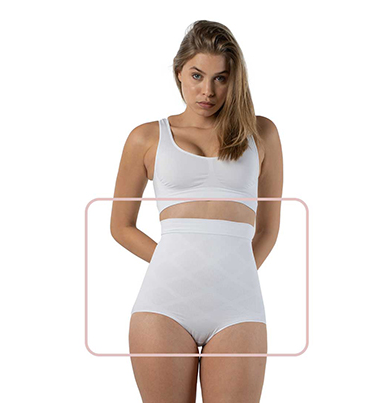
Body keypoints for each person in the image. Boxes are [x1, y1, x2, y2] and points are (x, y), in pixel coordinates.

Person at [110, 20, 283, 403]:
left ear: (235, 80)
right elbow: (121, 226)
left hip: (237, 305)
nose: (208, 90)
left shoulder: (261, 134)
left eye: (221, 78)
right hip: (164, 305)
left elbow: (268, 230)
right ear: (179, 73)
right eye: (197, 75)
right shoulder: (146, 137)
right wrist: (179, 263)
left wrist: (229, 272)